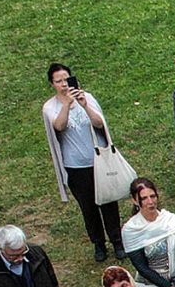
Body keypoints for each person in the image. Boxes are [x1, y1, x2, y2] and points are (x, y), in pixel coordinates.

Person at [43, 63, 121, 261]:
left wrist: (84, 105)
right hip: (75, 166)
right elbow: (59, 126)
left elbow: (99, 123)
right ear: (52, 84)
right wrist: (67, 105)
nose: (63, 84)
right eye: (58, 81)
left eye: (66, 79)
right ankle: (98, 244)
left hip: (99, 160)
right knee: (88, 207)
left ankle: (117, 241)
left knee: (109, 202)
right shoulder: (50, 107)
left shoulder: (88, 97)